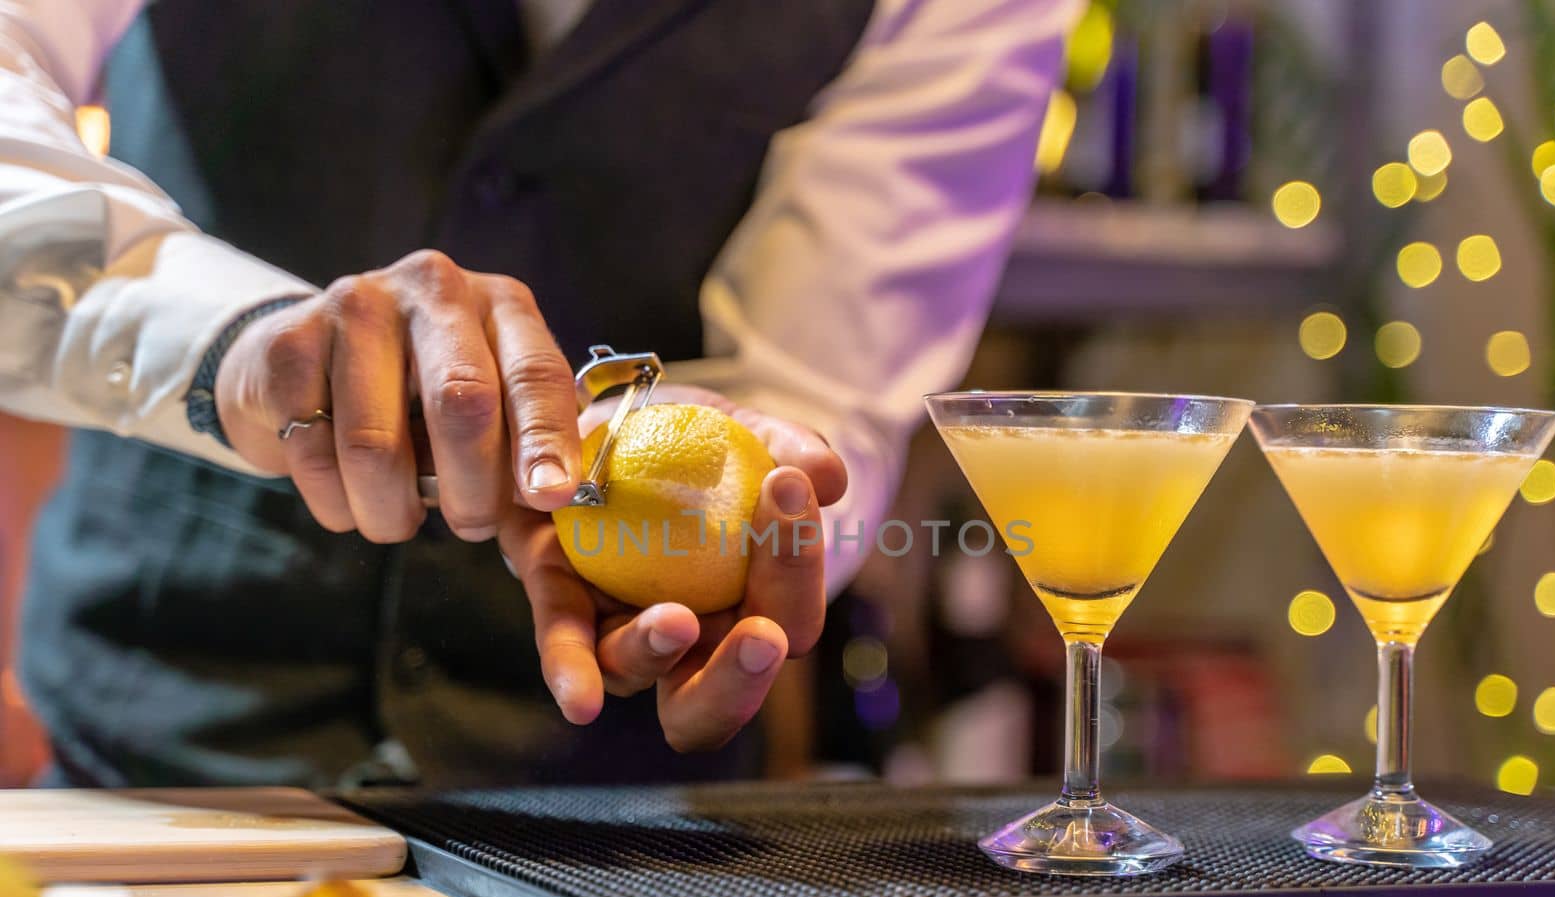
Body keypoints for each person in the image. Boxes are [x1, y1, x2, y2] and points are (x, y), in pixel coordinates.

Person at [0, 0, 1069, 788]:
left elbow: (815, 385)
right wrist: (234, 337)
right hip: (143, 771)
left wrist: (763, 523)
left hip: (609, 825)